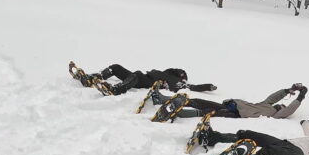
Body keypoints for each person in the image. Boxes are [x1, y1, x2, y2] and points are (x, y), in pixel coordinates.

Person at [150, 84, 307, 119]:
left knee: (208, 112)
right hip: (234, 105)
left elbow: (290, 110)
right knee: (199, 101)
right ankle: (163, 99)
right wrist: (288, 90)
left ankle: (180, 113)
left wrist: (301, 97)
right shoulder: (267, 105)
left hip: (237, 113)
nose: (280, 105)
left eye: (282, 106)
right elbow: (273, 98)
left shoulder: (274, 115)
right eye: (281, 104)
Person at [70, 61, 217, 96]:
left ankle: (116, 90)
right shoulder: (165, 72)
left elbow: (196, 87)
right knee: (116, 67)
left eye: (181, 72)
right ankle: (93, 78)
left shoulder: (180, 84)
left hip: (148, 83)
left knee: (137, 74)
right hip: (141, 77)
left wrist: (209, 86)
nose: (179, 72)